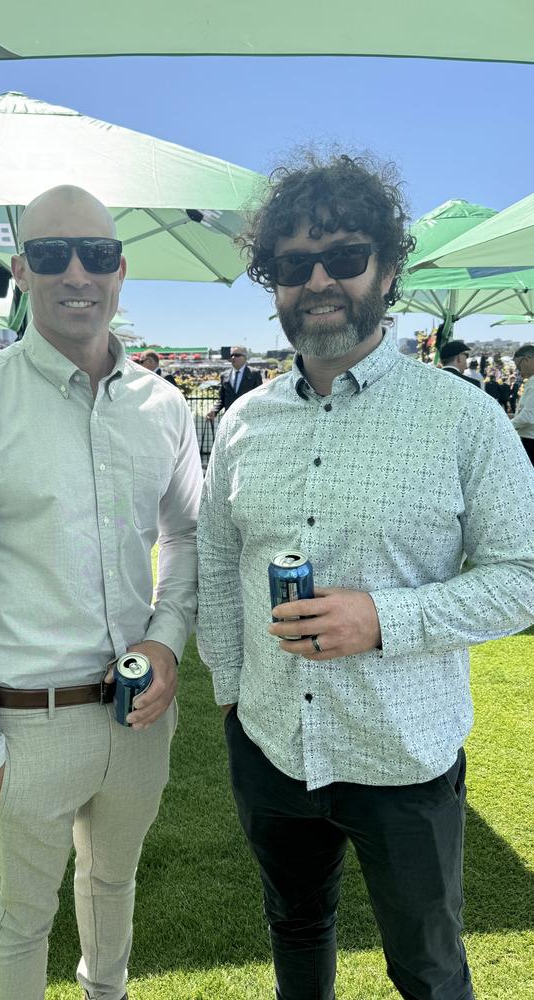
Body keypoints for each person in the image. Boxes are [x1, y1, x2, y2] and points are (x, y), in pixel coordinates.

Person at [196, 152, 534, 1000]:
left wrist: (384, 618)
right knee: (296, 929)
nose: (319, 282)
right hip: (270, 743)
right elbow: (213, 559)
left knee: (427, 966)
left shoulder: (464, 417)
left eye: (343, 257)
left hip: (402, 755)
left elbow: (523, 575)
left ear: (387, 268)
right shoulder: (242, 422)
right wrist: (234, 699)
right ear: (271, 284)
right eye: (292, 266)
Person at [0, 185, 203, 1000]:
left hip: (137, 719)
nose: (78, 272)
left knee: (114, 888)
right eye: (52, 254)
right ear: (21, 271)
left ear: (120, 270)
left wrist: (166, 640)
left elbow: (185, 536)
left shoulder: (166, 406)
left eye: (97, 254)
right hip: (22, 723)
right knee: (21, 917)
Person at [205, 344, 262, 420]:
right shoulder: (224, 375)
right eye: (232, 355)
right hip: (229, 419)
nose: (233, 357)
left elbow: (259, 397)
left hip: (248, 419)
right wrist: (214, 411)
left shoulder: (255, 374)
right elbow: (222, 398)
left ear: (245, 357)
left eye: (237, 355)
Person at [512, 344, 534, 463]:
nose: (518, 371)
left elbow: (528, 417)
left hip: (531, 440)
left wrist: (507, 426)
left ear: (526, 360)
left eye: (519, 367)